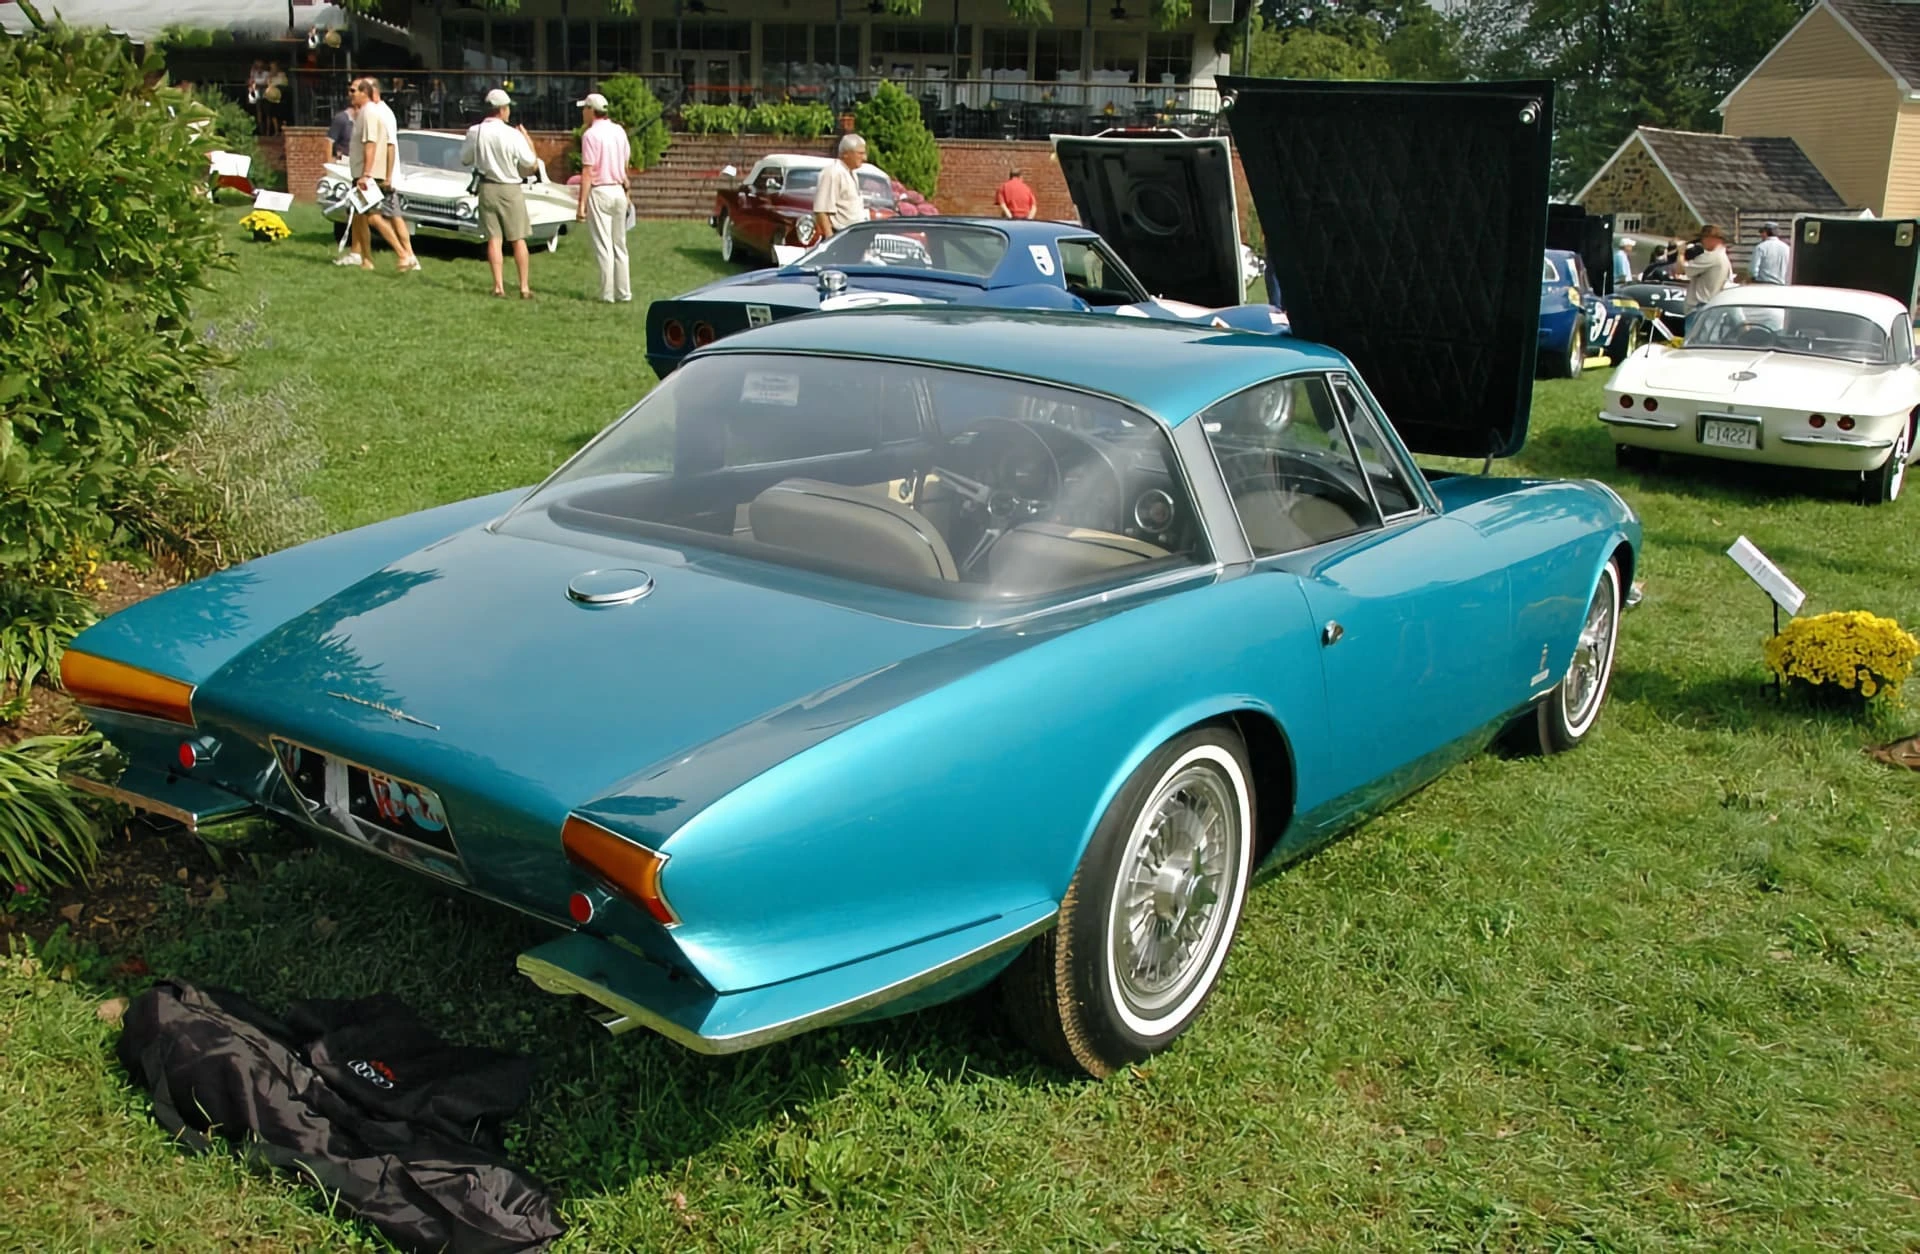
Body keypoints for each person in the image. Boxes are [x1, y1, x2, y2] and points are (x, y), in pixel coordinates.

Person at [461, 88, 540, 299]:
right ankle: (523, 287)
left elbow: (465, 158)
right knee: (518, 238)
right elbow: (529, 163)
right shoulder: (513, 134)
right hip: (510, 188)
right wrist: (528, 141)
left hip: (487, 187)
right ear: (503, 110)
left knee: (493, 239)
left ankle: (498, 286)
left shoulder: (475, 131)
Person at [342, 77, 420, 273]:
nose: (350, 94)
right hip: (362, 172)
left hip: (369, 174)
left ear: (365, 93)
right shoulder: (364, 113)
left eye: (353, 91)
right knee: (360, 217)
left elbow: (371, 144)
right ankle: (366, 260)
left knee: (373, 216)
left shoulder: (369, 113)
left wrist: (367, 174)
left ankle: (403, 254)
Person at [575, 92, 632, 303]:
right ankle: (624, 292)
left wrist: (581, 204)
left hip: (600, 191)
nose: (583, 113)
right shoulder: (619, 131)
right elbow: (625, 163)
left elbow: (588, 171)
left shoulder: (590, 135)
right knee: (620, 244)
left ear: (591, 111)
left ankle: (607, 294)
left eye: (584, 109)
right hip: (618, 190)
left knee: (604, 245)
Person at [812, 133, 868, 242]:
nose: (864, 158)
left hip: (854, 236)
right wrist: (830, 240)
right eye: (860, 153)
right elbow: (821, 211)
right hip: (839, 236)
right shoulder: (833, 173)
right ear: (846, 154)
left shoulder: (851, 173)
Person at [1674, 223, 1730, 330]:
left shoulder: (1711, 257)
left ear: (1712, 238)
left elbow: (1681, 269)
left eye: (1704, 238)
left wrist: (1681, 253)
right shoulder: (1723, 257)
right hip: (1712, 306)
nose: (1702, 241)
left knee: (1692, 344)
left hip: (1700, 308)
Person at [1750, 220, 1791, 284]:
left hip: (1763, 284)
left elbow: (1753, 269)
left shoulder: (1760, 247)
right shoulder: (1787, 248)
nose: (1761, 234)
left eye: (1761, 232)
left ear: (1765, 232)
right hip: (1782, 285)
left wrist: (1753, 278)